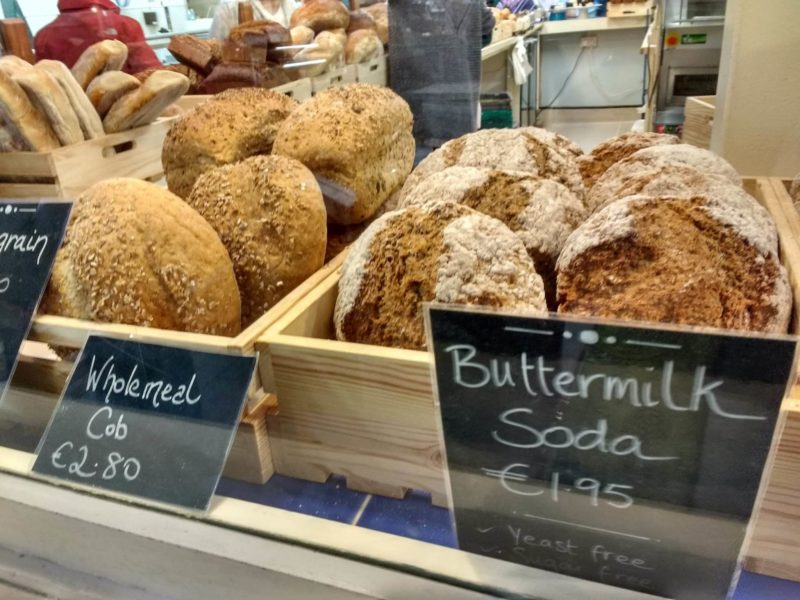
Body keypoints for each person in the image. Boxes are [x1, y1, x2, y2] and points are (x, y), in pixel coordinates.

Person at [389, 0, 495, 153]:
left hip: (412, 108)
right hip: (457, 106)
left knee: (416, 169)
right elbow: (486, 29)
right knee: (455, 165)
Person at [34, 0, 161, 74]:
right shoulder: (126, 25)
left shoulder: (44, 36)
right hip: (129, 112)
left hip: (73, 117)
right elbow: (153, 75)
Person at [210, 0, 301, 39]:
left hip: (292, 77)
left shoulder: (292, 5)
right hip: (246, 77)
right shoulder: (229, 8)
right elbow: (215, 56)